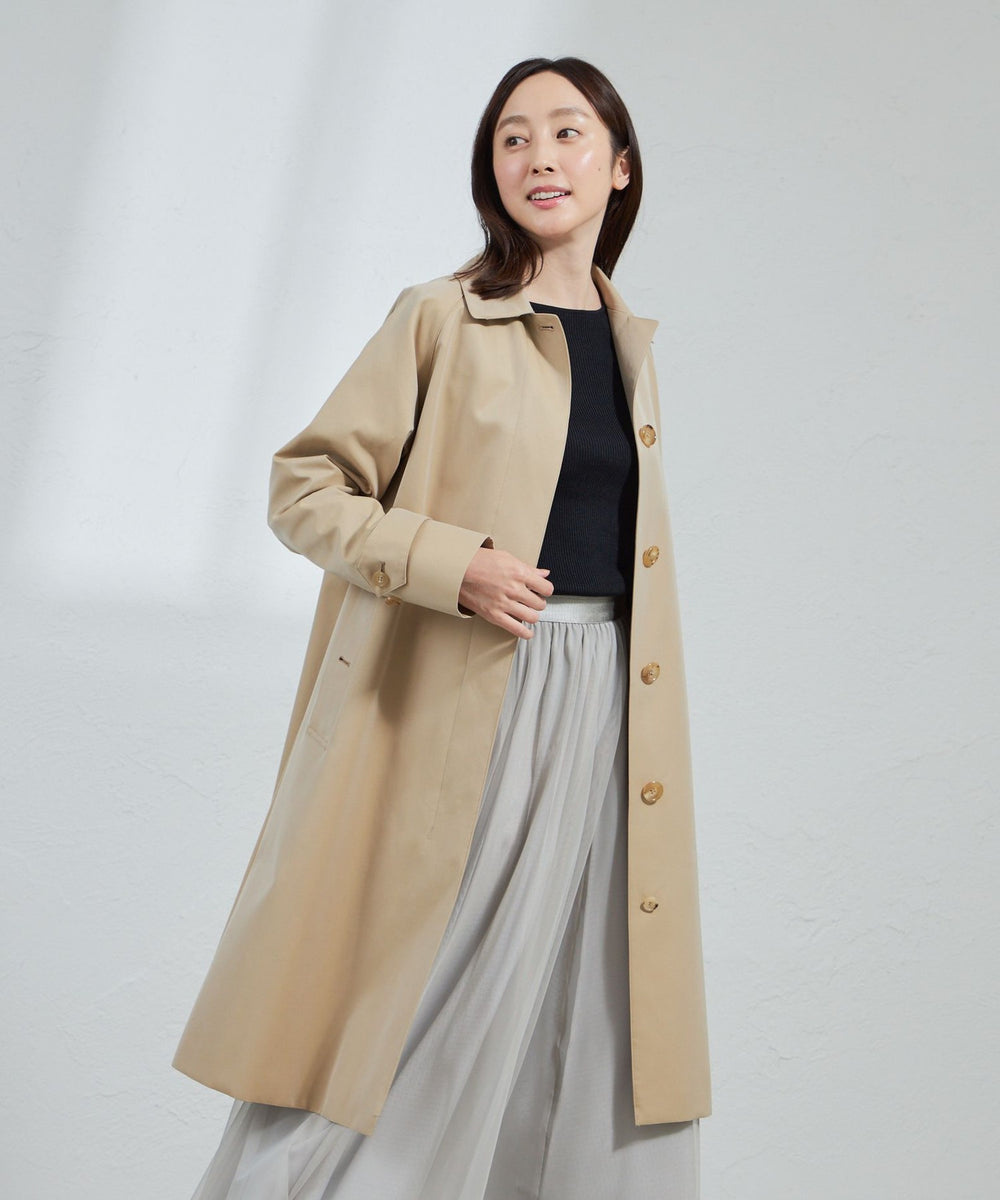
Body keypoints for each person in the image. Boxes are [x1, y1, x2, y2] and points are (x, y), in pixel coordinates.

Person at [174, 56, 711, 1198]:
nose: (538, 157)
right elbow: (304, 488)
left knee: (573, 1009)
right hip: (469, 698)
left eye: (567, 133)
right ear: (490, 170)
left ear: (620, 168)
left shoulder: (630, 343)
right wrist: (450, 564)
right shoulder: (442, 317)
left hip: (604, 705)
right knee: (409, 1003)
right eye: (512, 138)